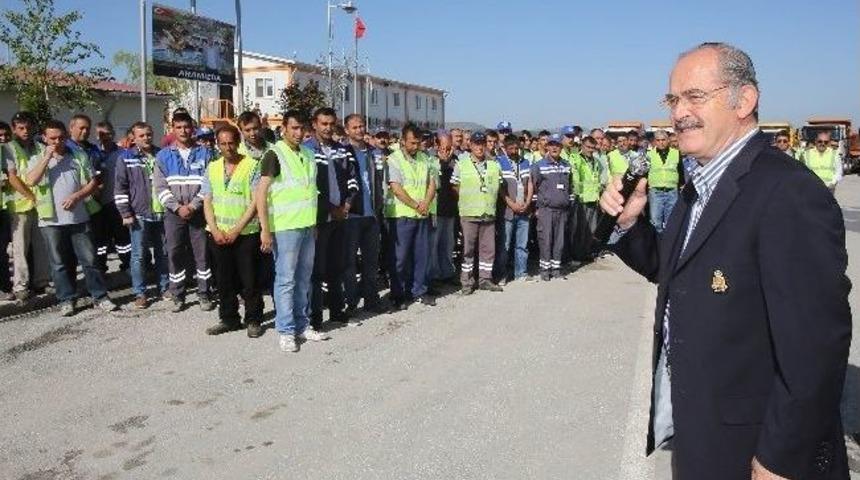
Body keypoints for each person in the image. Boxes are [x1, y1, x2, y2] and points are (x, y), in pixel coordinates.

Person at [600, 42, 851, 480]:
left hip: (756, 450)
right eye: (673, 99)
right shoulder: (700, 182)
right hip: (702, 433)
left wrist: (781, 459)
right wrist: (629, 224)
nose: (679, 113)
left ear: (744, 100)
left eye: (695, 96)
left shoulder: (787, 192)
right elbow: (675, 270)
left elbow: (816, 347)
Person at [26, 120, 117, 316]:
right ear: (44, 138)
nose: (57, 142)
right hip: (51, 221)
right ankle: (67, 299)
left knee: (90, 260)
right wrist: (46, 157)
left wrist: (77, 196)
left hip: (79, 219)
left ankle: (100, 296)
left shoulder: (78, 155)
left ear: (66, 136)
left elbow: (92, 183)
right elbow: (31, 180)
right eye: (52, 139)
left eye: (61, 138)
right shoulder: (37, 158)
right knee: (59, 263)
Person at [257, 110, 328, 353]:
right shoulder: (274, 154)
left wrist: (314, 224)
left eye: (301, 129)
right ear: (284, 128)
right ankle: (286, 330)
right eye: (294, 128)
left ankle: (302, 324)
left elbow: (310, 192)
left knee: (303, 279)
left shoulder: (308, 154)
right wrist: (265, 230)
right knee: (285, 280)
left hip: (307, 227)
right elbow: (261, 193)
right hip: (285, 228)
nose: (298, 133)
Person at [202, 125, 263, 338]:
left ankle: (254, 319)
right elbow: (207, 200)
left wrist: (237, 229)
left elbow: (256, 201)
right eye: (223, 143)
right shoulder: (212, 168)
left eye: (231, 143)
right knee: (223, 279)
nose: (228, 147)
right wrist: (215, 230)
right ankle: (229, 318)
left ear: (238, 143)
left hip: (245, 234)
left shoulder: (252, 165)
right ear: (217, 144)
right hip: (218, 233)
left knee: (250, 280)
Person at [304, 107, 359, 327]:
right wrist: (330, 209)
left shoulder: (342, 150)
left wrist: (346, 205)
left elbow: (352, 179)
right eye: (323, 124)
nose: (328, 128)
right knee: (316, 270)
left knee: (338, 266)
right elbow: (310, 187)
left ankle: (337, 311)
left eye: (331, 124)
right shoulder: (307, 151)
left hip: (341, 218)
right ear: (314, 124)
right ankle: (315, 317)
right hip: (319, 219)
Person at [153, 112, 214, 312]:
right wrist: (177, 207)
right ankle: (178, 294)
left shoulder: (205, 153)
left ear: (193, 128)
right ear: (173, 129)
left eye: (187, 127)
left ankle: (204, 293)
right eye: (179, 127)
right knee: (175, 253)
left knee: (202, 254)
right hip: (174, 214)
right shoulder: (163, 156)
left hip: (198, 212)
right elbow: (160, 188)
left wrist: (194, 206)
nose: (183, 131)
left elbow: (208, 184)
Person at [114, 122, 169, 309]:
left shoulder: (162, 154)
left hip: (161, 212)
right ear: (133, 138)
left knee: (163, 252)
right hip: (139, 214)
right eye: (141, 135)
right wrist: (125, 212)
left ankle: (165, 288)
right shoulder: (125, 158)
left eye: (148, 134)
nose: (146, 138)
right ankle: (140, 293)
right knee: (138, 255)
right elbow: (120, 187)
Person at [384, 123, 436, 309]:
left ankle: (419, 291)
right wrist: (416, 205)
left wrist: (426, 203)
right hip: (401, 216)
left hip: (421, 215)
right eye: (412, 143)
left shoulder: (425, 158)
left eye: (418, 142)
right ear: (402, 141)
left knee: (421, 256)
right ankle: (398, 294)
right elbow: (396, 188)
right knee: (400, 258)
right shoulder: (394, 159)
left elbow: (431, 183)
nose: (415, 146)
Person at [3, 112, 51, 302]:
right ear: (14, 129)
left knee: (41, 246)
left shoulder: (40, 147)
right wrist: (31, 196)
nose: (25, 131)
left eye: (28, 127)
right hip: (20, 205)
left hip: (41, 205)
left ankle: (41, 281)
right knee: (20, 248)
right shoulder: (9, 148)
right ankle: (21, 285)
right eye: (21, 128)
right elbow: (12, 178)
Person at [343, 114, 385, 315]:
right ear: (347, 130)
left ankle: (371, 300)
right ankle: (351, 302)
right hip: (352, 217)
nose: (359, 130)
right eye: (355, 127)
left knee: (371, 262)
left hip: (371, 216)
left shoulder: (373, 152)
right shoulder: (342, 152)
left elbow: (379, 181)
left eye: (362, 126)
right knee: (350, 262)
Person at [451, 131, 502, 294]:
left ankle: (485, 279)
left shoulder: (494, 165)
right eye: (476, 144)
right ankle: (467, 282)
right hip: (469, 213)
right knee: (468, 250)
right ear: (471, 145)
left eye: (482, 144)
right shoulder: (462, 164)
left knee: (488, 250)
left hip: (488, 213)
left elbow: (499, 186)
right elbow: (455, 186)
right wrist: (469, 198)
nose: (479, 147)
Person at [531, 134, 572, 281]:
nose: (554, 147)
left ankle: (556, 269)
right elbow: (533, 188)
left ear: (561, 147)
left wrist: (569, 204)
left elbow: (570, 187)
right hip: (545, 210)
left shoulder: (567, 165)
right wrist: (536, 208)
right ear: (547, 147)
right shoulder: (539, 165)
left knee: (559, 241)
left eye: (557, 145)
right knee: (545, 240)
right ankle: (545, 270)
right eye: (552, 145)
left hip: (562, 210)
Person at [94, 121, 131, 272]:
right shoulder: (93, 154)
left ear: (113, 134)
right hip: (97, 203)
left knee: (122, 238)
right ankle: (101, 266)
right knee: (100, 240)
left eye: (108, 134)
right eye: (101, 134)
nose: (105, 137)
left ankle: (127, 264)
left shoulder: (122, 154)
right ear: (96, 136)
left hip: (116, 202)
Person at [497, 135, 532, 283]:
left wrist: (528, 202)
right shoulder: (499, 162)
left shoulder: (525, 162)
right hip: (508, 211)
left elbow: (529, 183)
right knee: (505, 245)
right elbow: (500, 188)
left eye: (516, 148)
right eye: (511, 148)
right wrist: (511, 204)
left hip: (524, 210)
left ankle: (521, 273)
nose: (514, 151)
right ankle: (502, 274)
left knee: (522, 245)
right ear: (505, 148)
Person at [428, 131, 459, 285]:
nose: (446, 152)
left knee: (448, 244)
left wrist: (448, 161)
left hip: (450, 208)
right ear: (436, 145)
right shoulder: (430, 160)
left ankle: (447, 273)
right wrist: (442, 162)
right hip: (435, 209)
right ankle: (434, 275)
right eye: (443, 148)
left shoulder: (456, 160)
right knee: (434, 245)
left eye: (449, 148)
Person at [646, 130, 681, 233]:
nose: (661, 142)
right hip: (656, 192)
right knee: (656, 222)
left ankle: (669, 245)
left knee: (671, 222)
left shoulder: (676, 153)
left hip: (672, 192)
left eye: (663, 140)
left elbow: (681, 171)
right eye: (658, 140)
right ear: (655, 141)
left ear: (668, 140)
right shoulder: (649, 155)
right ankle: (657, 245)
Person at [0, 124, 14, 300]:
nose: (3, 138)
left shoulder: (9, 154)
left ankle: (5, 286)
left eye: (6, 135)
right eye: (0, 135)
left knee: (4, 251)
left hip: (7, 208)